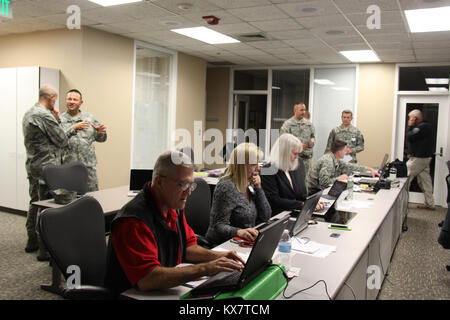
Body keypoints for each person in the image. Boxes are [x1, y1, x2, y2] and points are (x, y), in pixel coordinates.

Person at [104, 150, 245, 295]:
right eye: (183, 184)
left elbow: (187, 247)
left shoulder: (173, 206)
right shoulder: (134, 220)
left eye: (191, 185)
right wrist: (205, 268)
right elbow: (148, 278)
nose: (189, 192)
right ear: (159, 181)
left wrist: (220, 257)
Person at [22, 84, 70, 261]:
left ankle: (32, 240)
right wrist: (58, 119)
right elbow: (62, 140)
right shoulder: (45, 115)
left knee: (35, 202)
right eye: (55, 99)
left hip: (33, 164)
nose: (55, 102)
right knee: (46, 208)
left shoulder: (29, 112)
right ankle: (44, 249)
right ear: (51, 98)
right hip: (46, 168)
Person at [205, 143, 271, 246]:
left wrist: (258, 188)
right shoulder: (226, 187)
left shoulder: (249, 184)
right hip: (224, 245)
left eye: (259, 163)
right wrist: (239, 232)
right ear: (241, 165)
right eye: (254, 164)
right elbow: (218, 226)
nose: (258, 168)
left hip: (244, 243)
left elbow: (266, 216)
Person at [61, 89, 107, 191]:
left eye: (75, 99)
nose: (71, 101)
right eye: (69, 99)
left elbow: (101, 139)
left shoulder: (89, 118)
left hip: (88, 168)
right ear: (66, 100)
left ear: (81, 102)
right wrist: (74, 128)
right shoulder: (59, 120)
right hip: (68, 168)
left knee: (91, 198)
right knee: (69, 200)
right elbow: (58, 140)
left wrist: (101, 133)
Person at [307, 140, 379, 195]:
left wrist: (369, 169)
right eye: (344, 150)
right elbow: (324, 182)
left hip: (320, 189)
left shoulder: (335, 158)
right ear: (339, 151)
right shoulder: (328, 161)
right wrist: (339, 178)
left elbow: (351, 166)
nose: (346, 152)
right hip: (314, 192)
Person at [260, 134, 308, 216]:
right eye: (295, 154)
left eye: (298, 154)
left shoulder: (296, 165)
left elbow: (301, 193)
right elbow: (274, 200)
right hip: (279, 217)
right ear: (283, 153)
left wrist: (311, 202)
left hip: (298, 214)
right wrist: (301, 205)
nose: (297, 157)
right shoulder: (267, 170)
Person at [405, 109, 435, 210]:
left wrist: (410, 125)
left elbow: (409, 137)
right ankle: (430, 204)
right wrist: (411, 152)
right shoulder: (424, 126)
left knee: (405, 179)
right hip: (424, 157)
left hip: (420, 158)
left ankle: (402, 204)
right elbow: (416, 141)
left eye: (410, 118)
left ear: (415, 118)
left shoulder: (422, 127)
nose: (409, 120)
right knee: (425, 181)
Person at [280, 102, 315, 174]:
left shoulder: (309, 124)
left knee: (306, 183)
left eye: (304, 110)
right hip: (293, 160)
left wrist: (312, 141)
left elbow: (312, 136)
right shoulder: (287, 124)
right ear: (295, 110)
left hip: (306, 160)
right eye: (301, 110)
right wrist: (297, 145)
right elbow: (283, 140)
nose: (304, 112)